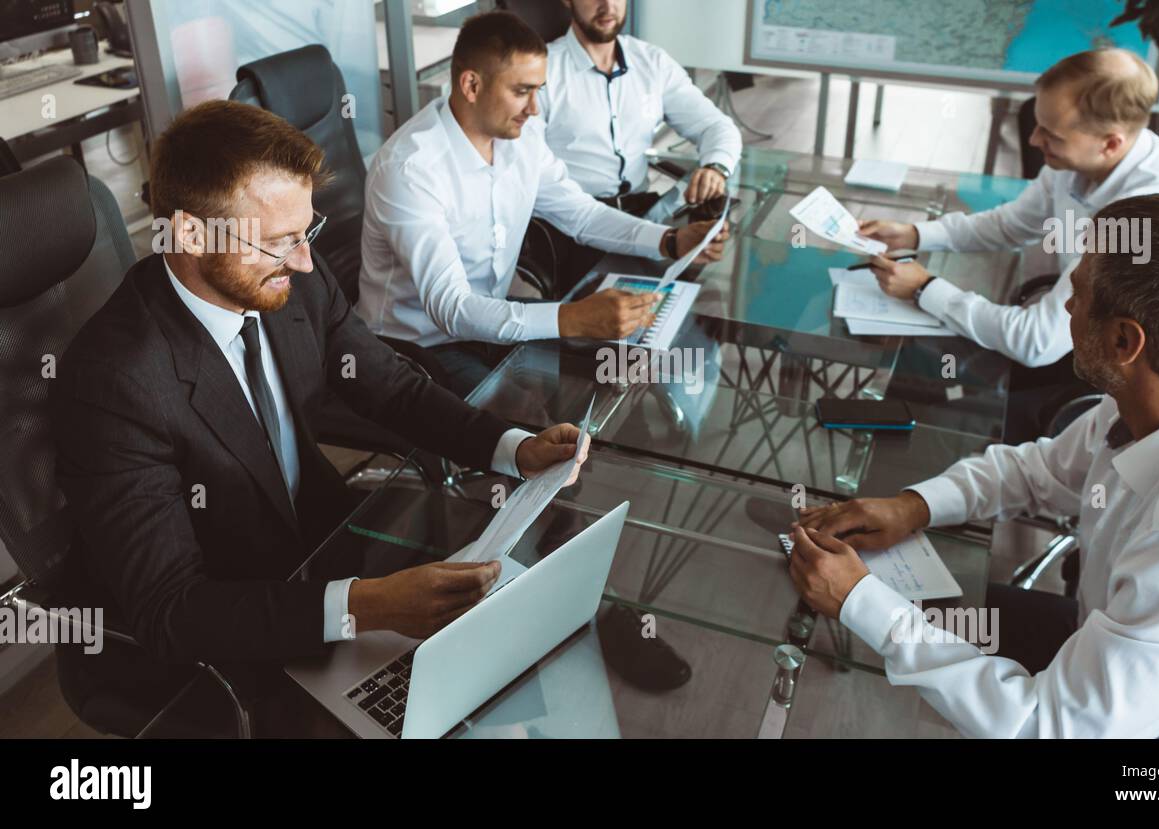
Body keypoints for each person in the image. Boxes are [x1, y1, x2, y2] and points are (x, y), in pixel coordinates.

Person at [52, 100, 587, 734]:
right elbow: (173, 608)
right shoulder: (115, 382)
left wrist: (511, 447)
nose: (306, 260)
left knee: (512, 664)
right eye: (280, 241)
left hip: (318, 546)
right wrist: (365, 607)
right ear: (191, 234)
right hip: (218, 637)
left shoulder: (292, 281)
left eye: (306, 230)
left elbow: (389, 387)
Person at [788, 193, 1159, 738]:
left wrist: (861, 602)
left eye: (1076, 292)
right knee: (935, 608)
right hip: (1105, 644)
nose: (1065, 308)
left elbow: (1048, 727)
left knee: (891, 619)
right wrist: (914, 505)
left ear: (1125, 340)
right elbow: (1042, 471)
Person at [356, 10, 728, 397]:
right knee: (532, 425)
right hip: (415, 347)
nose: (535, 109)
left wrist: (668, 240)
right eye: (522, 91)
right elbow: (452, 309)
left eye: (538, 90)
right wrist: (570, 318)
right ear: (471, 84)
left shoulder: (522, 139)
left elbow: (580, 214)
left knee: (613, 368)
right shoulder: (411, 169)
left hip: (491, 315)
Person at [860, 49, 1159, 440]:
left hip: (1117, 388)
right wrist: (917, 234)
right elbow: (1012, 224)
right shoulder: (1091, 158)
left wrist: (924, 288)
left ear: (1110, 143)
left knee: (932, 387)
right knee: (922, 363)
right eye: (1038, 125)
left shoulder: (1141, 216)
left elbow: (1033, 343)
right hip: (1071, 332)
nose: (1034, 140)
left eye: (1051, 135)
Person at [532, 0, 742, 289]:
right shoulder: (541, 72)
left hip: (645, 210)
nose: (608, 5)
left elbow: (715, 125)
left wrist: (715, 166)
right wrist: (667, 241)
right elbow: (545, 190)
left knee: (708, 282)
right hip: (569, 228)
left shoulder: (650, 61)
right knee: (618, 324)